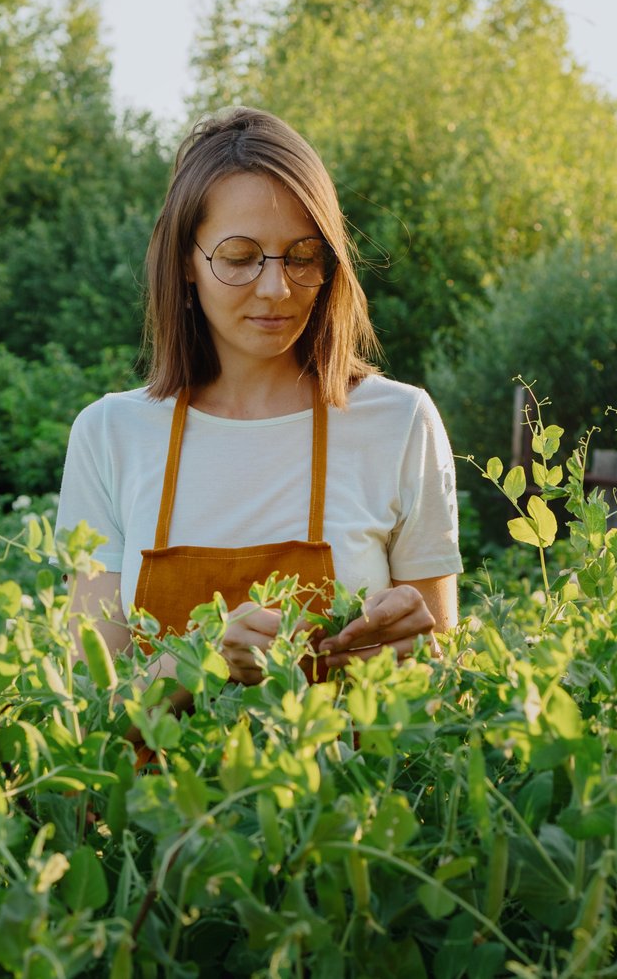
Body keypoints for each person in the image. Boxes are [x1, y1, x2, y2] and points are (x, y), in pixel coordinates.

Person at [56, 107, 461, 703]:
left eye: (302, 256)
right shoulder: (110, 434)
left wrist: (413, 656)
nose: (276, 289)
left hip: (344, 792)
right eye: (240, 257)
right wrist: (203, 661)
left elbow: (443, 685)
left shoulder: (399, 423)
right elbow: (90, 708)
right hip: (158, 798)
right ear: (186, 264)